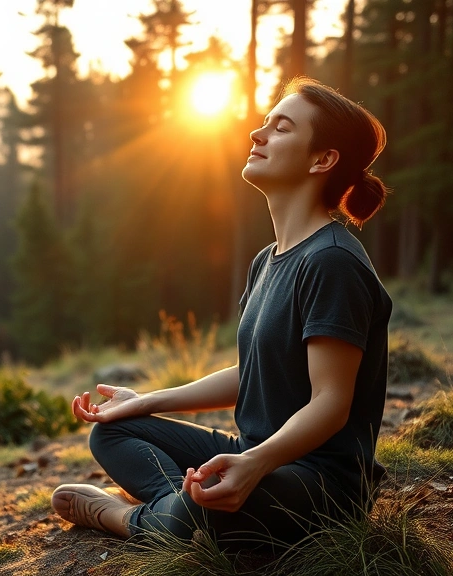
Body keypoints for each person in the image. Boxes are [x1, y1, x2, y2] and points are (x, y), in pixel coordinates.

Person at [51, 77, 394, 551]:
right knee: (114, 432)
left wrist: (256, 463)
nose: (258, 134)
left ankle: (130, 517)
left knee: (200, 505)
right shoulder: (267, 260)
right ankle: (182, 509)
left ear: (323, 159)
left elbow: (331, 403)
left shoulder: (332, 262)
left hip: (319, 483)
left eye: (281, 127)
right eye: (264, 123)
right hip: (255, 453)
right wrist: (143, 401)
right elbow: (251, 372)